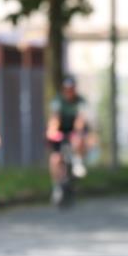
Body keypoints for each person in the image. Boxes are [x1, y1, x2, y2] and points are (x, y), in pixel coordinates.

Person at [46, 76, 89, 204]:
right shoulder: (58, 101)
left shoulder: (80, 101)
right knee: (55, 159)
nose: (69, 92)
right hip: (61, 131)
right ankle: (56, 186)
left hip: (75, 130)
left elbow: (80, 119)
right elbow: (55, 118)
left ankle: (78, 161)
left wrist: (77, 131)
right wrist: (52, 130)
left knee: (78, 138)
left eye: (71, 89)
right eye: (66, 89)